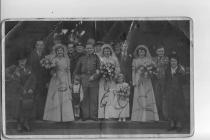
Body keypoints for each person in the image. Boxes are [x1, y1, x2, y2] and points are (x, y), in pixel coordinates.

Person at [43, 44, 74, 122]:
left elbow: (68, 71)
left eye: (61, 51)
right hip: (56, 79)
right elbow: (51, 69)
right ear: (56, 52)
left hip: (65, 79)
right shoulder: (54, 59)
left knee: (65, 97)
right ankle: (55, 117)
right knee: (56, 96)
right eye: (58, 51)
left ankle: (66, 117)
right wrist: (53, 72)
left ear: (63, 52)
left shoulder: (67, 59)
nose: (60, 52)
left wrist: (69, 82)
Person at [5, 54, 36, 132]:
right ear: (18, 61)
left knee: (27, 107)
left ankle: (26, 123)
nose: (22, 62)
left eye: (24, 60)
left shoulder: (29, 68)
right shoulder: (15, 69)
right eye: (21, 60)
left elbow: (33, 80)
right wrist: (23, 90)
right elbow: (16, 82)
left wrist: (32, 88)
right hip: (18, 92)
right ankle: (19, 124)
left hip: (28, 92)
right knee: (19, 108)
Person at [131, 45, 159, 122]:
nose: (141, 52)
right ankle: (138, 117)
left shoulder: (149, 60)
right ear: (138, 52)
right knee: (139, 96)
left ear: (145, 52)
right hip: (138, 79)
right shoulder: (135, 60)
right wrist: (134, 81)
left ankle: (148, 116)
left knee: (147, 96)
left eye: (143, 51)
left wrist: (149, 73)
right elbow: (133, 71)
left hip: (147, 79)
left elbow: (153, 69)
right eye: (140, 51)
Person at [73, 44, 100, 121]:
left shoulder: (96, 58)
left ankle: (93, 115)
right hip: (83, 79)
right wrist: (76, 78)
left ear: (93, 49)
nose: (89, 50)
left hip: (93, 80)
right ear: (85, 49)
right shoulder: (81, 58)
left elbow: (99, 70)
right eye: (87, 48)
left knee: (93, 98)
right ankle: (85, 115)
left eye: (91, 48)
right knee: (84, 98)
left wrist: (94, 76)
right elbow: (76, 70)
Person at [165, 52, 186, 132]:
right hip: (170, 92)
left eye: (174, 61)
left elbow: (184, 81)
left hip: (178, 92)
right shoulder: (167, 70)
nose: (173, 63)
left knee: (179, 109)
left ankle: (179, 125)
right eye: (171, 61)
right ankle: (172, 124)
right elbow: (166, 81)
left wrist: (180, 75)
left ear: (177, 62)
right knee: (170, 108)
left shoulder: (180, 70)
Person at [98, 44, 121, 119]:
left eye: (108, 51)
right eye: (105, 51)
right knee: (103, 96)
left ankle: (112, 114)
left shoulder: (114, 59)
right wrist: (103, 74)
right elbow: (98, 69)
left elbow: (117, 68)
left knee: (111, 96)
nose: (107, 52)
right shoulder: (100, 59)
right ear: (103, 52)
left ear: (110, 51)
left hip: (112, 80)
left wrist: (114, 75)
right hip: (103, 80)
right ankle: (102, 114)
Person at [27, 40, 48, 120]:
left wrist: (46, 81)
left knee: (42, 98)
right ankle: (32, 116)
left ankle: (40, 115)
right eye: (39, 45)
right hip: (33, 80)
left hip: (42, 81)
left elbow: (47, 70)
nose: (40, 47)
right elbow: (29, 68)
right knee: (33, 97)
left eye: (42, 45)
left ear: (43, 46)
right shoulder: (31, 55)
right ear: (36, 46)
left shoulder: (45, 55)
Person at [152, 45, 169, 120]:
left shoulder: (166, 59)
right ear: (156, 52)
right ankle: (157, 114)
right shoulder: (153, 59)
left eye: (162, 51)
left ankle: (164, 114)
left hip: (164, 80)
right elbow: (151, 69)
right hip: (155, 81)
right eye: (159, 51)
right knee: (156, 97)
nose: (161, 53)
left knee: (164, 97)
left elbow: (167, 69)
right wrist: (153, 73)